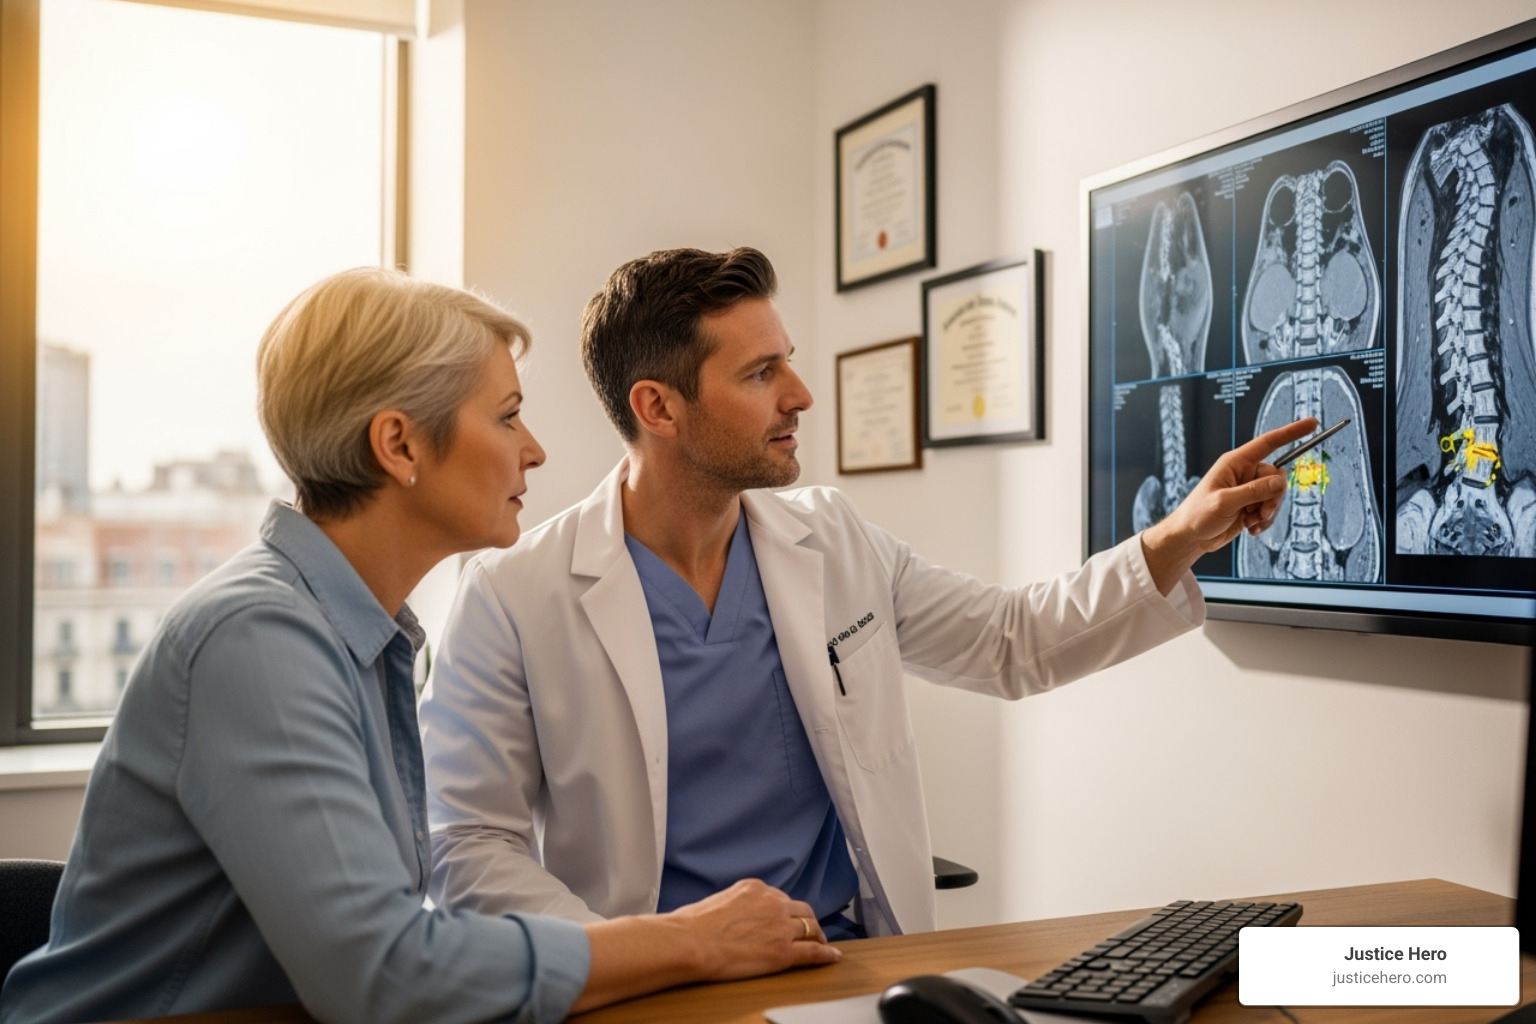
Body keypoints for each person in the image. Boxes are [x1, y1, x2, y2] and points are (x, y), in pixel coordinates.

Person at [0, 268, 839, 1024]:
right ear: (399, 444)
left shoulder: (359, 635)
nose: (535, 449)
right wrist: (692, 940)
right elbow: (383, 975)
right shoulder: (256, 636)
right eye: (507, 416)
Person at [418, 247, 1313, 939]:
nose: (800, 395)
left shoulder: (831, 538)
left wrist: (1181, 533)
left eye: (788, 362)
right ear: (658, 408)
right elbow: (465, 844)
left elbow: (1011, 642)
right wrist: (648, 951)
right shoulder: (511, 596)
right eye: (761, 374)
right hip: (650, 985)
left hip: (849, 962)